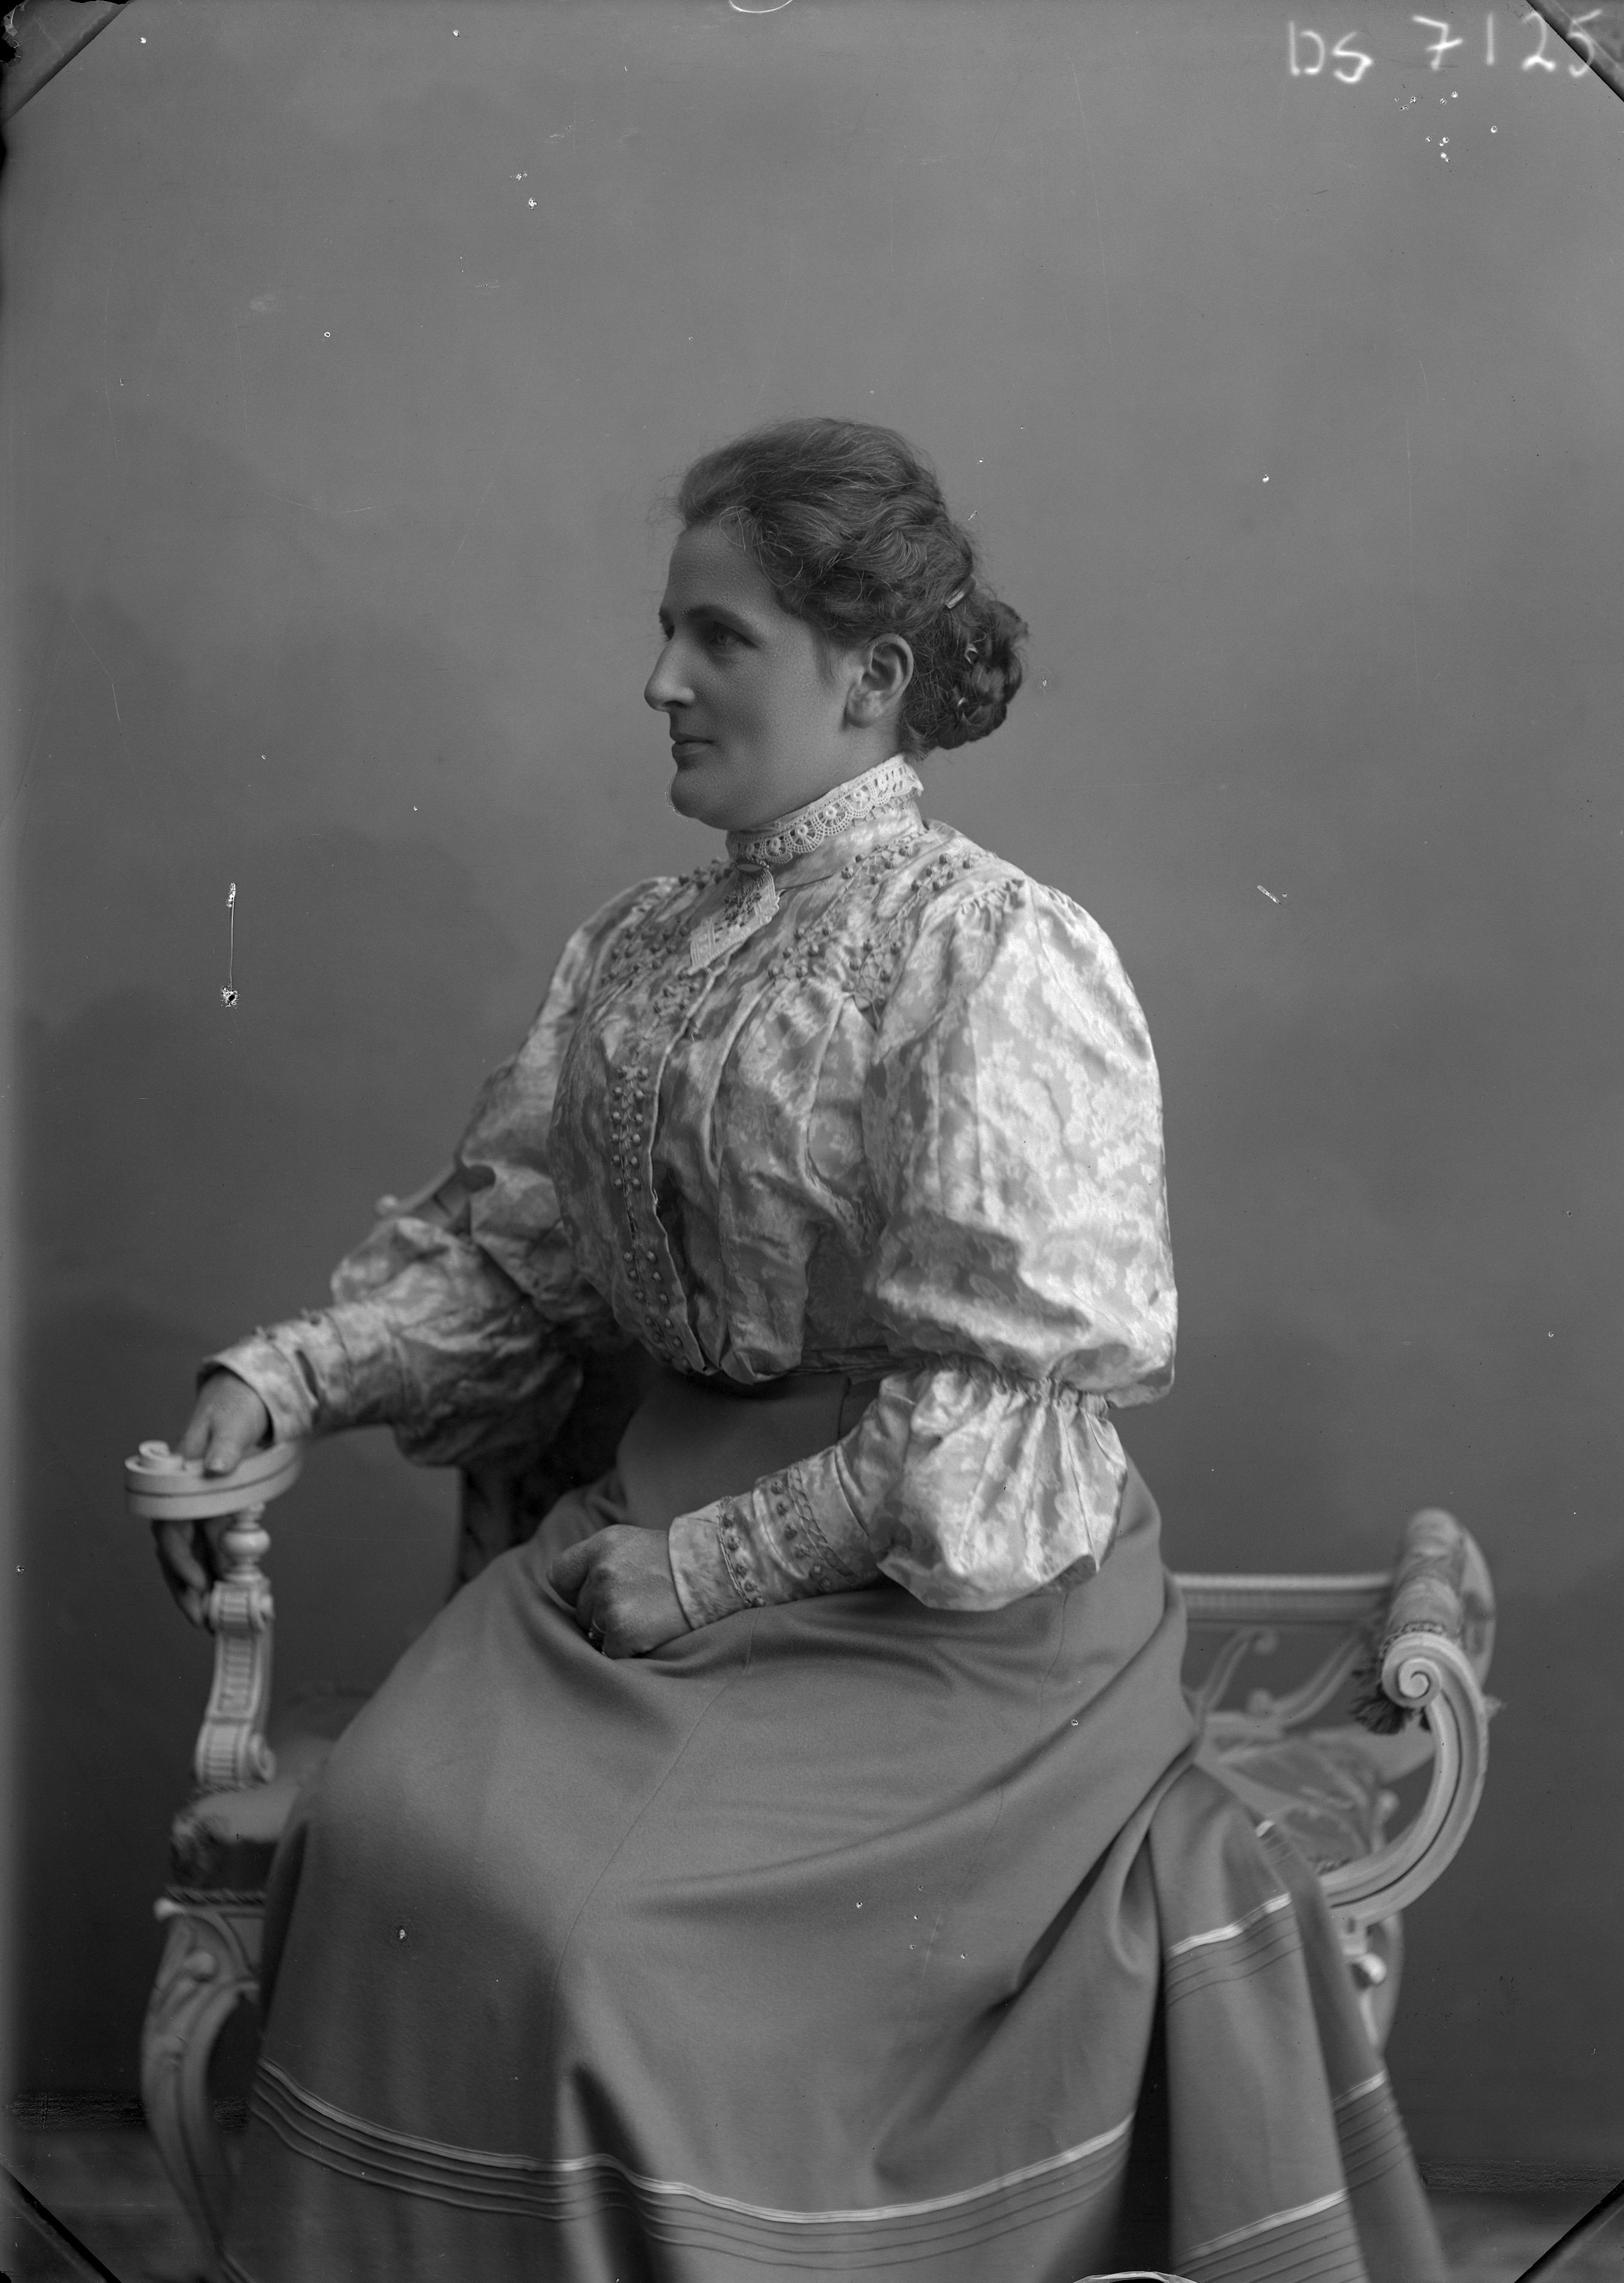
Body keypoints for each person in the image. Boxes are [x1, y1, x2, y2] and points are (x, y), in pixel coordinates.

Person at [159, 419, 1446, 2283]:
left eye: (720, 636)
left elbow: (995, 1407)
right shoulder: (634, 949)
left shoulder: (995, 953)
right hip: (629, 1556)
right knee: (378, 1837)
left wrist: (706, 1569)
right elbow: (523, 1278)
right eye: (665, 631)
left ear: (871, 674)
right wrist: (285, 1373)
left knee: (587, 1938)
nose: (662, 681)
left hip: (940, 1617)